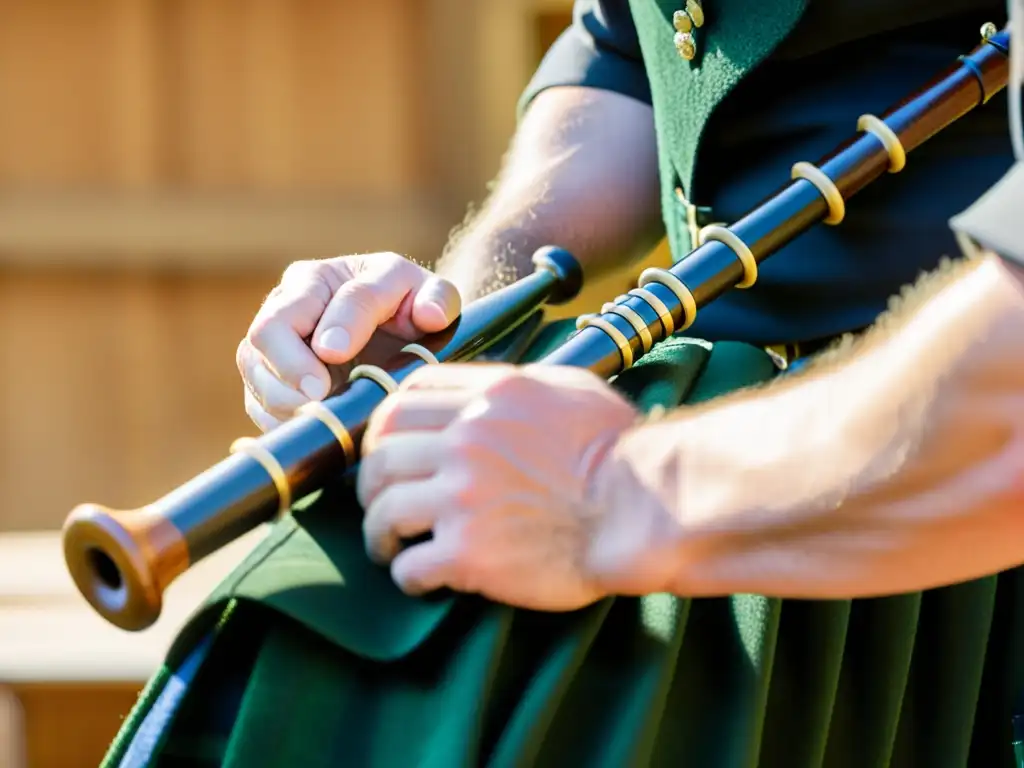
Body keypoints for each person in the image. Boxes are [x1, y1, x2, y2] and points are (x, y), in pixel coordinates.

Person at [103, 3, 1022, 767]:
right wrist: (455, 314)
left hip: (933, 523)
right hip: (717, 502)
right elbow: (634, 55)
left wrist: (616, 495)